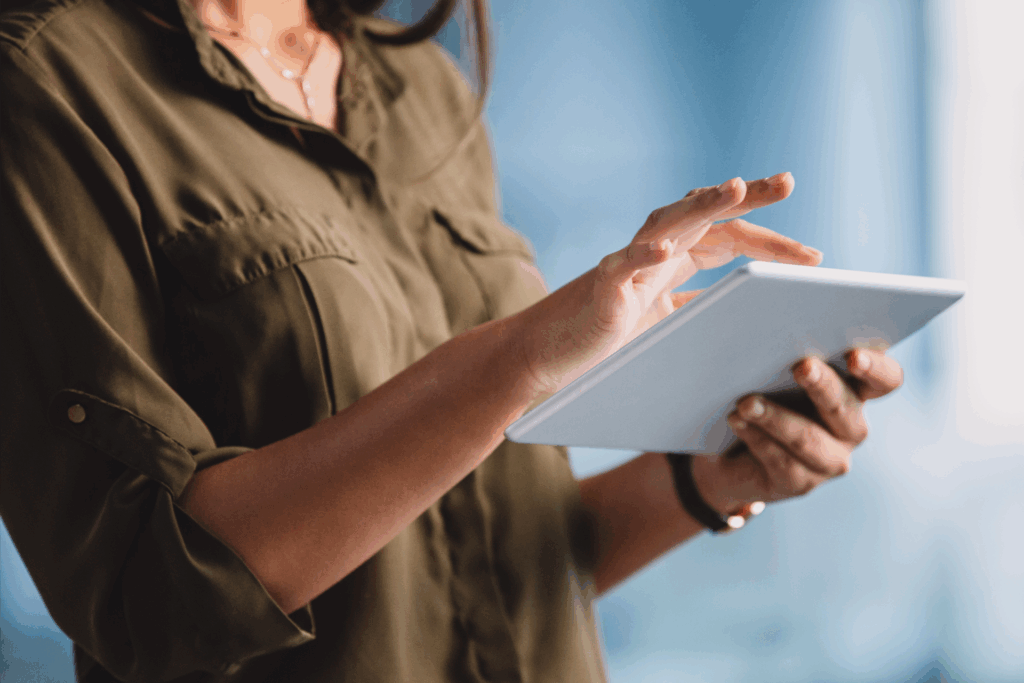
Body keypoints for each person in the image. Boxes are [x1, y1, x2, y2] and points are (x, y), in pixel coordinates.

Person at [0, 0, 905, 680]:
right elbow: (145, 598)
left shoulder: (421, 85)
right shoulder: (46, 83)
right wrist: (522, 356)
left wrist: (713, 476)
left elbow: (488, 552)